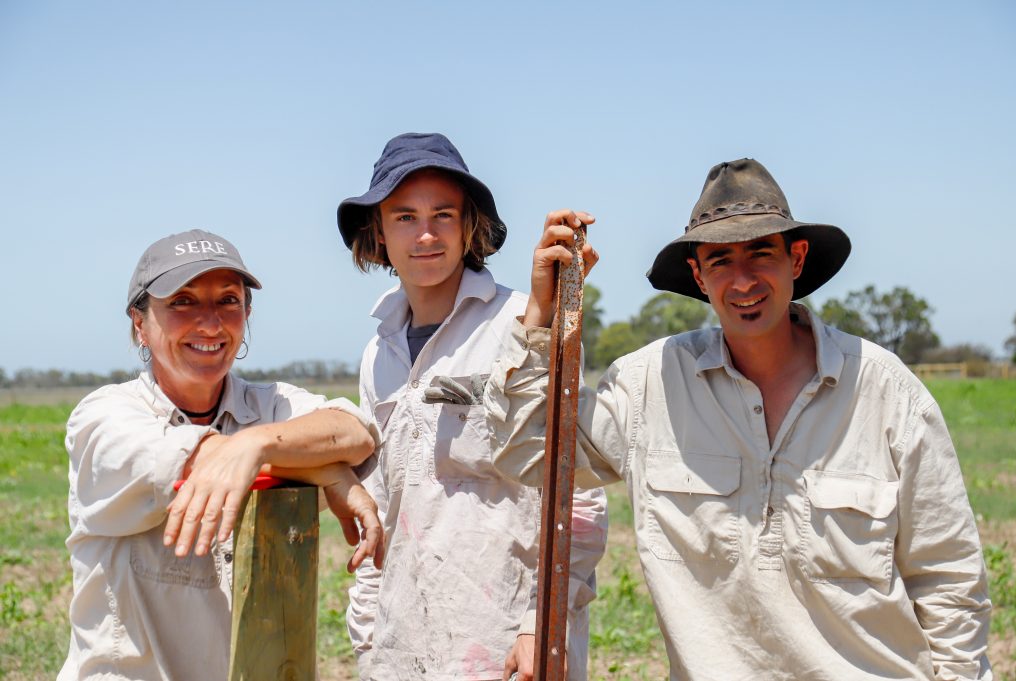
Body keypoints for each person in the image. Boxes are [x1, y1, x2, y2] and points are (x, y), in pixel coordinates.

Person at [485, 159, 992, 680]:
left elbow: (949, 582)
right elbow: (530, 450)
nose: (744, 280)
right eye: (721, 260)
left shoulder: (887, 394)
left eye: (761, 253)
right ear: (700, 277)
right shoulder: (653, 386)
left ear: (796, 259)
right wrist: (542, 316)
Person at [336, 133, 608, 681]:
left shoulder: (526, 320)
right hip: (402, 647)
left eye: (443, 215)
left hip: (507, 646)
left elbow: (580, 495)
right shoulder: (379, 351)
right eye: (405, 217)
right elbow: (388, 502)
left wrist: (541, 623)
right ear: (378, 232)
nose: (426, 235)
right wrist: (369, 632)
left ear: (470, 227)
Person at [60, 229, 384, 681]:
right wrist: (327, 472)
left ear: (247, 314)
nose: (210, 324)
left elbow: (353, 431)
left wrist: (256, 444)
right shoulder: (104, 417)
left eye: (228, 301)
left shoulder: (266, 410)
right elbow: (198, 455)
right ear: (140, 323)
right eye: (182, 302)